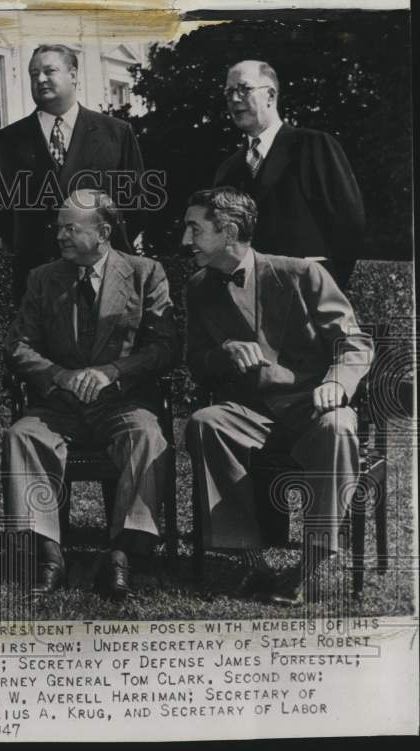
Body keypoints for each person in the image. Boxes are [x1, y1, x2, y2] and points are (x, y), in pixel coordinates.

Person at [183, 187, 373, 605]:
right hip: (253, 413)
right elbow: (197, 362)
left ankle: (306, 567)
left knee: (339, 427)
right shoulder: (199, 287)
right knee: (205, 422)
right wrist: (223, 353)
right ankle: (252, 561)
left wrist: (337, 383)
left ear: (229, 230)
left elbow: (354, 343)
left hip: (312, 407)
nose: (185, 239)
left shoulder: (302, 273)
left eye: (195, 228)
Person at [3, 190, 178, 599]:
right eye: (58, 227)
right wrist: (59, 375)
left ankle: (122, 556)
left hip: (122, 402)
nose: (60, 236)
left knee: (147, 437)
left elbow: (165, 347)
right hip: (58, 405)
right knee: (20, 436)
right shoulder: (43, 278)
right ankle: (49, 555)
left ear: (102, 232)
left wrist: (112, 372)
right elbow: (18, 346)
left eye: (70, 228)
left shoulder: (144, 272)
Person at [0, 44, 145, 304]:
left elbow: (136, 204)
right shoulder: (7, 141)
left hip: (105, 277)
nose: (40, 79)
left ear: (73, 75)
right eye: (33, 73)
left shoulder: (116, 133)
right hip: (37, 279)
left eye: (49, 71)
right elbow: (0, 213)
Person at [213, 60, 365, 289]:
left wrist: (325, 290)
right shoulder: (228, 170)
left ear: (271, 95)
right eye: (229, 92)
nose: (234, 99)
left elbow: (349, 224)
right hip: (246, 306)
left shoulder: (314, 147)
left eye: (244, 89)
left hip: (305, 302)